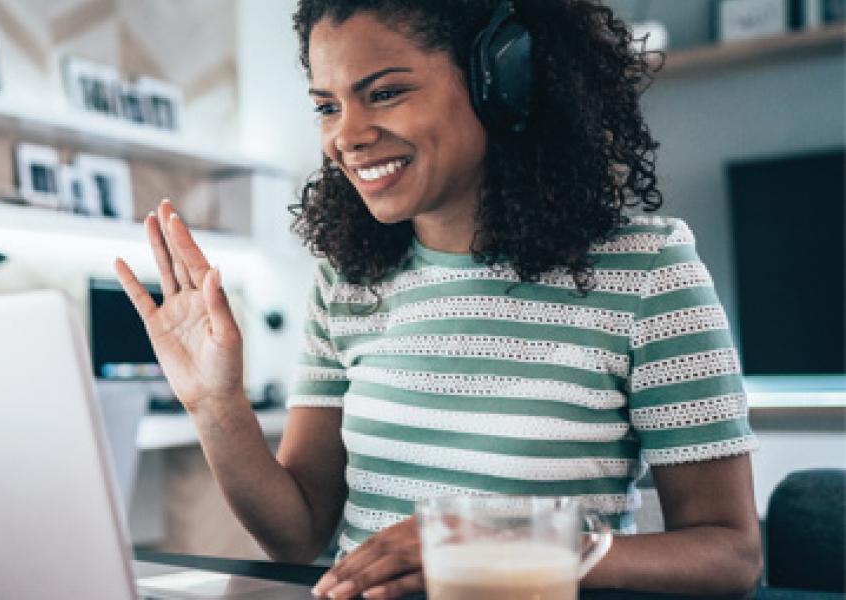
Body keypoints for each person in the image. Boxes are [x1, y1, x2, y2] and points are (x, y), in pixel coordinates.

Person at [113, 0, 763, 597]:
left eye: (386, 93)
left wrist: (511, 548)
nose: (347, 136)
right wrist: (215, 406)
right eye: (328, 106)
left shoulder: (647, 269)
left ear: (502, 83)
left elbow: (732, 555)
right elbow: (297, 533)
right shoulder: (346, 280)